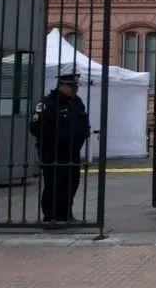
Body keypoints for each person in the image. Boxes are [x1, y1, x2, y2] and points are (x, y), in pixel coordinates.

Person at [29, 73, 90, 223]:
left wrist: (83, 134)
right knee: (54, 183)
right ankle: (51, 215)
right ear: (61, 86)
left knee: (71, 183)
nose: (74, 90)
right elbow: (36, 127)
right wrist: (56, 141)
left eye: (75, 87)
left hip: (72, 152)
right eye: (71, 87)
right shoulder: (48, 103)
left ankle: (66, 214)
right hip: (53, 153)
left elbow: (82, 123)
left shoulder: (76, 102)